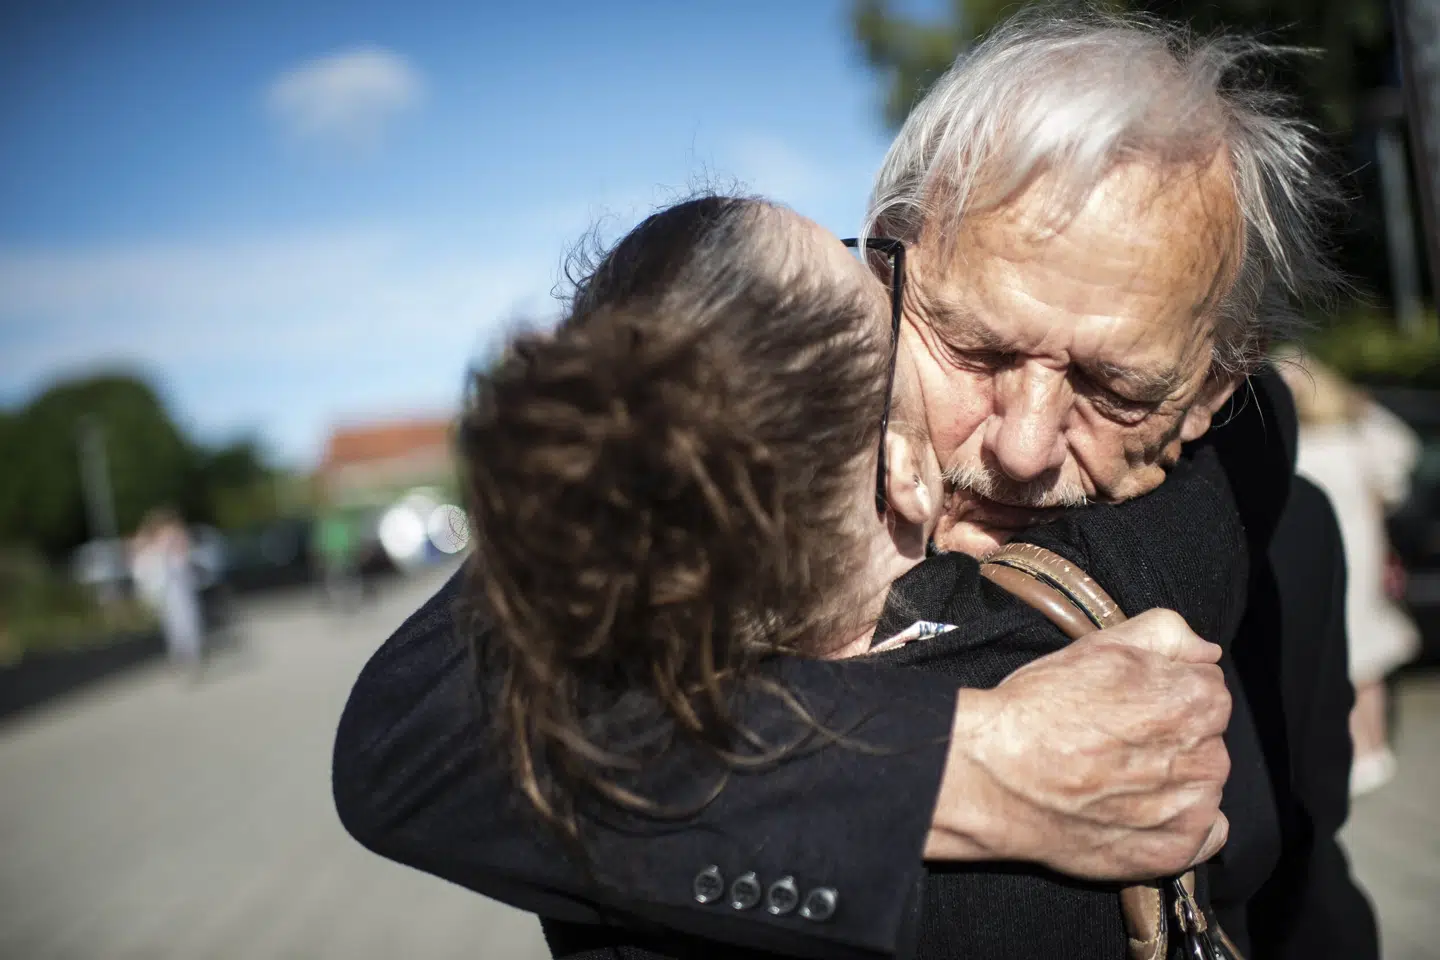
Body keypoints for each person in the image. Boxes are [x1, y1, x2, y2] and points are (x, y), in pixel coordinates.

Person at [334, 11, 1376, 959]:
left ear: (1211, 388)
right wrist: (961, 763)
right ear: (884, 272)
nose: (1022, 446)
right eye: (975, 351)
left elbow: (1309, 899)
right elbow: (422, 732)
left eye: (1114, 389)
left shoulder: (1283, 538)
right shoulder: (719, 503)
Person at [459, 192, 1252, 959]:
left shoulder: (574, 787)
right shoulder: (1079, 663)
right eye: (867, 284)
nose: (1023, 448)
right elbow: (1240, 449)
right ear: (904, 472)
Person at [1277, 348, 1421, 795]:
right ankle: (1358, 751)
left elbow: (1401, 456)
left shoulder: (1347, 437)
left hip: (1354, 562)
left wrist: (1364, 407)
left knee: (1360, 660)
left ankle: (1368, 752)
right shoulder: (1303, 439)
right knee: (1342, 662)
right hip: (1326, 561)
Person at [131, 507, 204, 673]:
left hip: (179, 586)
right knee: (176, 624)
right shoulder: (156, 540)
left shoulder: (175, 536)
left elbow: (183, 557)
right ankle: (184, 657)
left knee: (186, 622)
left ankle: (190, 657)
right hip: (167, 588)